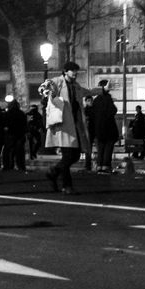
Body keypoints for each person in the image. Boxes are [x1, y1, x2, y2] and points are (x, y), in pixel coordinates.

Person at [39, 61, 92, 195]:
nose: (75, 73)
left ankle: (53, 172)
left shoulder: (76, 86)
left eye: (76, 71)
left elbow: (88, 91)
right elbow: (46, 86)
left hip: (74, 125)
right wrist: (45, 90)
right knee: (68, 155)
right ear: (65, 71)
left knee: (75, 155)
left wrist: (102, 90)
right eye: (72, 71)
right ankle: (67, 186)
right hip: (63, 124)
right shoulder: (58, 81)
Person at [90, 79, 120, 173]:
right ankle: (106, 165)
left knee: (100, 148)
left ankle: (99, 165)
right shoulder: (108, 99)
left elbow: (93, 114)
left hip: (98, 129)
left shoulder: (96, 100)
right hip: (109, 128)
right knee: (108, 147)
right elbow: (113, 110)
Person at [1, 95, 27, 173]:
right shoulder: (22, 114)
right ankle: (21, 166)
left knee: (7, 151)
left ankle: (7, 166)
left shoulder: (7, 113)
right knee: (19, 152)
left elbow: (4, 124)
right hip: (20, 135)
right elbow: (24, 125)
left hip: (10, 134)